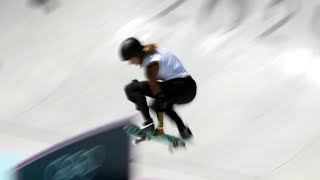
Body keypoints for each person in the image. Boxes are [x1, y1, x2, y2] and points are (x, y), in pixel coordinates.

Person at [120, 37, 197, 140]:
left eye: (130, 59)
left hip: (181, 87)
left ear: (136, 54)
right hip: (189, 89)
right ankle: (183, 130)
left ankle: (148, 123)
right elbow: (162, 100)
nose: (131, 63)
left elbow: (161, 99)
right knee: (158, 104)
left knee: (132, 89)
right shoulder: (155, 52)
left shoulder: (150, 66)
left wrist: (160, 128)